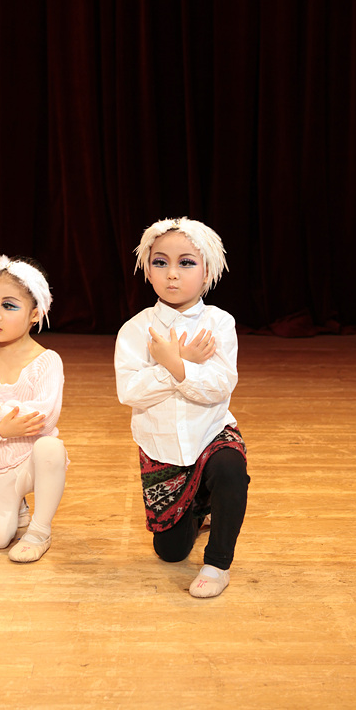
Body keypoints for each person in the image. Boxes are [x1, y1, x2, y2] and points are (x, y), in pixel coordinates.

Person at [115, 217, 249, 598]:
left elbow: (219, 385)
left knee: (230, 468)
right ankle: (198, 507)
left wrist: (174, 365)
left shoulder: (219, 323)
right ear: (148, 270)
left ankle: (218, 563)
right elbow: (130, 391)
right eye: (160, 262)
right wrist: (181, 363)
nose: (172, 273)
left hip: (210, 433)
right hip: (162, 449)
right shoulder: (135, 330)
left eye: (186, 262)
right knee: (170, 553)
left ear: (207, 271)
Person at [0, 255, 67, 563]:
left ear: (35, 314)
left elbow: (43, 419)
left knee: (50, 447)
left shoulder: (47, 361)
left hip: (33, 463)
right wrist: (0, 428)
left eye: (9, 306)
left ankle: (39, 531)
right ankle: (16, 507)